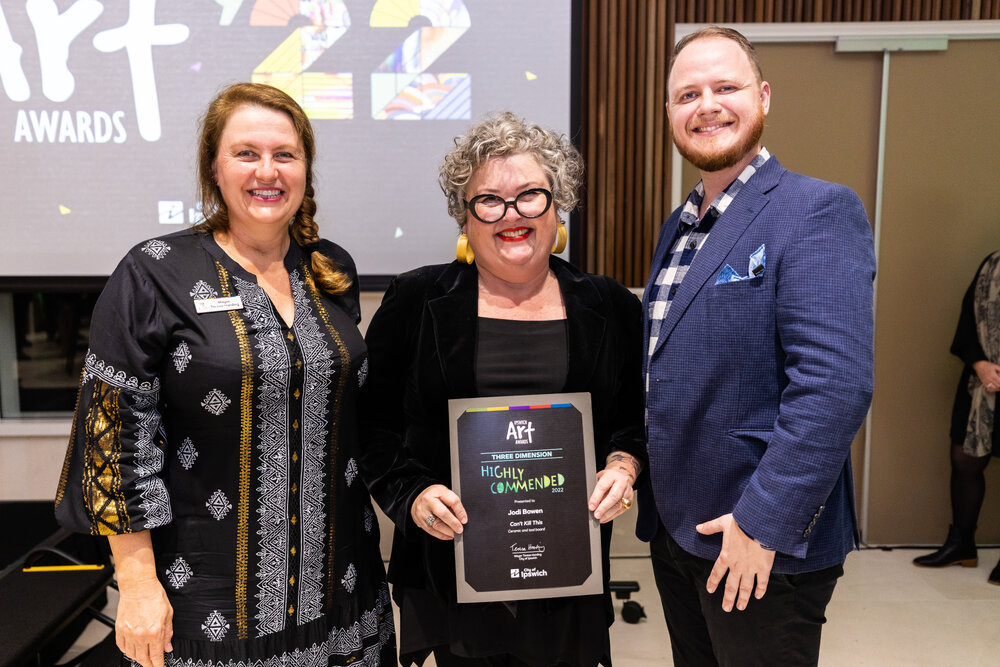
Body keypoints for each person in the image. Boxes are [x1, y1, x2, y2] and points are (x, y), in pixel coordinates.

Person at [54, 83, 395, 667]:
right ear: (214, 167)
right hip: (207, 606)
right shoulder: (153, 272)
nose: (268, 171)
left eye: (285, 154)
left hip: (344, 595)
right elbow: (112, 438)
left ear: (306, 169)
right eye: (246, 153)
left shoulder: (330, 268)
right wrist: (136, 585)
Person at [359, 112, 646, 667]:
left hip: (568, 570)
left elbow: (635, 417)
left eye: (530, 196)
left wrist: (624, 466)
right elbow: (371, 426)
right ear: (465, 220)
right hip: (450, 569)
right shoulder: (416, 300)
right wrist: (412, 494)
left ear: (557, 205)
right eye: (488, 200)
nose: (511, 215)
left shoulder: (610, 306)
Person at [636, 27, 875, 666]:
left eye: (726, 87)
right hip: (682, 533)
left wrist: (761, 525)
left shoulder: (817, 209)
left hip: (759, 539)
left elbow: (833, 387)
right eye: (687, 94)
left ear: (763, 98)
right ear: (669, 114)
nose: (706, 105)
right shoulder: (682, 224)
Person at [913, 251, 1000, 584]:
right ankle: (962, 544)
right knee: (965, 460)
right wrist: (980, 364)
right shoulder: (992, 264)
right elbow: (967, 321)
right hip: (982, 384)